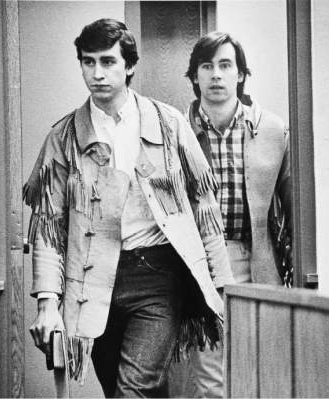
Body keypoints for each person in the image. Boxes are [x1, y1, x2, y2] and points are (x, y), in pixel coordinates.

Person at [23, 19, 234, 398]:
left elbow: (204, 205)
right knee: (129, 390)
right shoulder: (64, 137)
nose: (97, 74)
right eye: (89, 63)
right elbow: (49, 227)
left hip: (157, 276)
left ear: (129, 65)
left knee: (133, 389)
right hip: (92, 283)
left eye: (108, 62)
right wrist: (47, 304)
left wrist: (223, 286)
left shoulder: (168, 123)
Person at [179, 31, 292, 398]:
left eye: (225, 65)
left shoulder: (272, 130)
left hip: (256, 258)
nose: (216, 75)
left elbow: (292, 207)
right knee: (211, 376)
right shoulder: (174, 131)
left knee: (259, 367)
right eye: (206, 66)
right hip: (200, 264)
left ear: (241, 74)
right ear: (194, 75)